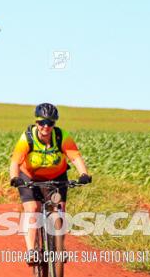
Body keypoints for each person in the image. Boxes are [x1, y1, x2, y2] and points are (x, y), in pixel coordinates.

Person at [9, 103, 91, 265]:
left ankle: (59, 247)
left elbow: (75, 157)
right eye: (42, 122)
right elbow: (15, 162)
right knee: (33, 209)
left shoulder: (61, 136)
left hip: (57, 176)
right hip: (29, 176)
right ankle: (32, 251)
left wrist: (83, 174)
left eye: (50, 123)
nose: (46, 126)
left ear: (55, 124)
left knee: (59, 210)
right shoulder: (27, 138)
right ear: (36, 122)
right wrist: (15, 177)